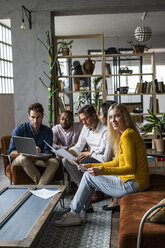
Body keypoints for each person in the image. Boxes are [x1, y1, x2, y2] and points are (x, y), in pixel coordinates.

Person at [55, 103, 150, 226]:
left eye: (117, 116)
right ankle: (80, 212)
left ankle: (74, 214)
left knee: (88, 177)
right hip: (133, 181)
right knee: (87, 174)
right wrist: (91, 167)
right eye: (110, 117)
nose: (113, 121)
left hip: (133, 184)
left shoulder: (127, 136)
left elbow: (130, 168)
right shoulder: (125, 134)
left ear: (124, 117)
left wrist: (101, 170)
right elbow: (116, 162)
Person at [62, 104, 113, 204]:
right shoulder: (85, 128)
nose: (84, 122)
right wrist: (68, 153)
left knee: (84, 161)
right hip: (89, 156)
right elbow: (78, 146)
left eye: (86, 119)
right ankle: (83, 189)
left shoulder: (105, 130)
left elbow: (105, 157)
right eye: (82, 120)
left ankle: (92, 191)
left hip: (102, 159)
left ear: (94, 115)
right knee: (65, 160)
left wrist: (89, 154)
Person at [7, 102, 59, 185]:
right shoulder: (19, 130)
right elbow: (11, 154)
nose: (35, 120)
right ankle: (41, 186)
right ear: (28, 116)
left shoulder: (48, 131)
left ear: (42, 116)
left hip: (38, 159)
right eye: (32, 117)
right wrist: (27, 152)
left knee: (54, 162)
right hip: (21, 160)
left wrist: (38, 154)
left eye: (38, 117)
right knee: (23, 158)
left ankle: (40, 186)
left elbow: (47, 153)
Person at [99, 101, 119, 211]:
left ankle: (116, 200)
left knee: (88, 169)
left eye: (101, 114)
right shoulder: (108, 130)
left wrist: (91, 154)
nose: (99, 116)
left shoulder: (111, 131)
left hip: (118, 164)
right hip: (114, 160)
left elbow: (106, 157)